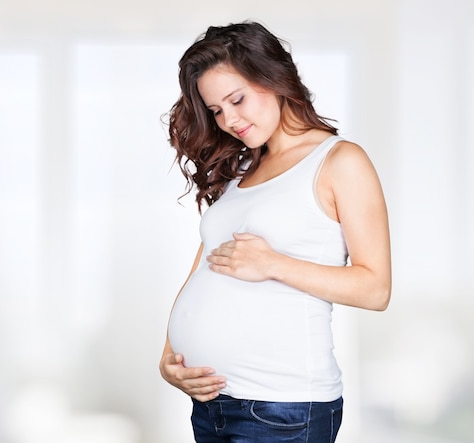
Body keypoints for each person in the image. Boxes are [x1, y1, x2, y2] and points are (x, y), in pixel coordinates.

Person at [159, 21, 391, 443]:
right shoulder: (241, 172)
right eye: (216, 110)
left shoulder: (339, 161)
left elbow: (375, 289)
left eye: (237, 99)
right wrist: (169, 357)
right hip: (213, 405)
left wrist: (273, 264)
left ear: (274, 77)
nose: (229, 119)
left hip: (282, 408)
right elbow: (205, 266)